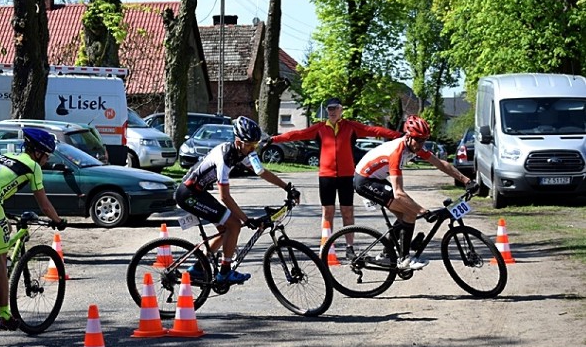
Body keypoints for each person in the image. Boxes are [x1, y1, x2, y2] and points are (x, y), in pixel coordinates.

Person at [264, 97, 402, 259]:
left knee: (347, 212)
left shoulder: (351, 127)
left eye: (335, 108)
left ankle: (350, 248)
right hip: (326, 176)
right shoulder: (320, 128)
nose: (332, 112)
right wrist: (274, 139)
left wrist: (399, 136)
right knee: (327, 212)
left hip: (346, 176)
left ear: (341, 109)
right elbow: (297, 134)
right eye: (329, 109)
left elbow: (374, 131)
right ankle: (326, 248)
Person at [0, 127, 66, 331]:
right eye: (46, 155)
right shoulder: (33, 167)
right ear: (37, 152)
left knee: (3, 229)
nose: (46, 160)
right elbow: (44, 204)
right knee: (0, 262)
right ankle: (4, 314)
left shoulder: (6, 156)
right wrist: (58, 221)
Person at [175, 116, 299, 284]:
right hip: (188, 194)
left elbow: (261, 172)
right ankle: (224, 272)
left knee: (226, 230)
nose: (252, 148)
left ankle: (197, 268)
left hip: (198, 192)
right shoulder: (225, 157)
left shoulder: (244, 152)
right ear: (238, 141)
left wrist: (287, 187)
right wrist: (246, 219)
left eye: (255, 145)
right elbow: (224, 196)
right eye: (249, 145)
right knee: (233, 224)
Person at [354, 115, 479, 270]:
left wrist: (467, 180)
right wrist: (424, 211)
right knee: (410, 212)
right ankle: (404, 260)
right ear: (408, 136)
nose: (421, 144)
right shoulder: (397, 152)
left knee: (405, 216)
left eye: (424, 140)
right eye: (418, 140)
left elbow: (440, 164)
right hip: (365, 181)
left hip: (377, 178)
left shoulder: (415, 146)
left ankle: (386, 254)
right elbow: (399, 192)